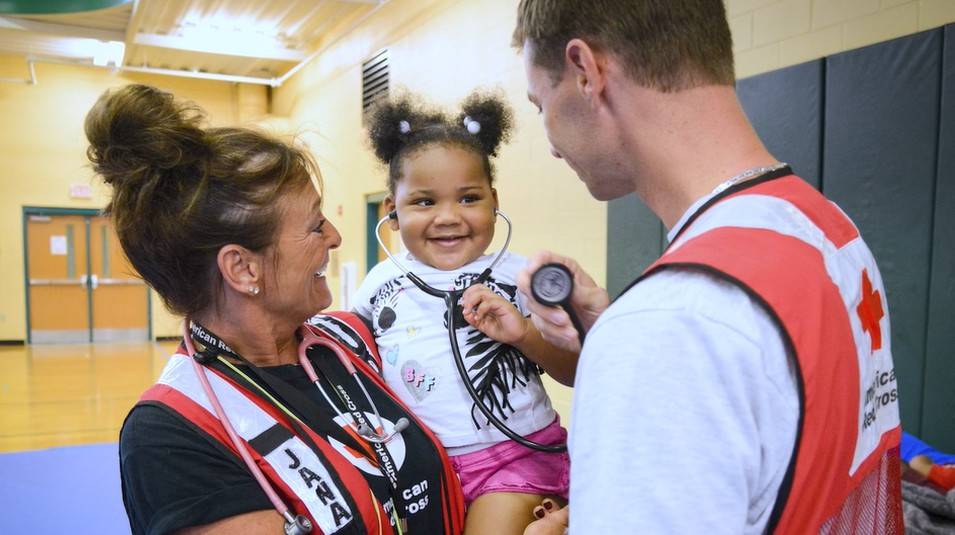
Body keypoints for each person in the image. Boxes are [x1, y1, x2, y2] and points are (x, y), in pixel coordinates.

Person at [510, 1, 903, 533]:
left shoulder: (666, 327)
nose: (551, 145)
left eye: (540, 103)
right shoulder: (825, 225)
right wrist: (612, 333)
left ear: (586, 71)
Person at [86, 84, 464, 534]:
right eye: (314, 224)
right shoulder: (172, 435)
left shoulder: (355, 340)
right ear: (243, 268)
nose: (336, 236)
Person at [352, 91, 577, 534]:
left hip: (516, 459)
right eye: (424, 202)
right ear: (391, 212)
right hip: (422, 469)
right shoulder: (379, 284)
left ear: (494, 200)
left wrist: (524, 336)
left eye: (469, 198)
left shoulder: (521, 276)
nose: (449, 217)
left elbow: (575, 371)